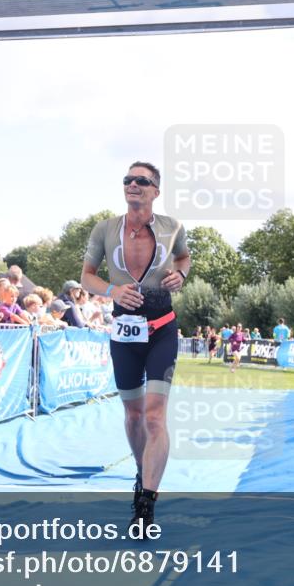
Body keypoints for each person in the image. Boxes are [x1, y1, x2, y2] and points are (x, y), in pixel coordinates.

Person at [80, 160, 190, 531]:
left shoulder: (173, 227)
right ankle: (143, 472)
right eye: (128, 179)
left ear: (156, 191)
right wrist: (113, 290)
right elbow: (87, 277)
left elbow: (184, 258)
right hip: (124, 332)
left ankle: (146, 502)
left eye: (142, 181)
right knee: (134, 415)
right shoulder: (105, 229)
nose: (133, 185)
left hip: (161, 329)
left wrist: (181, 274)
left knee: (155, 415)